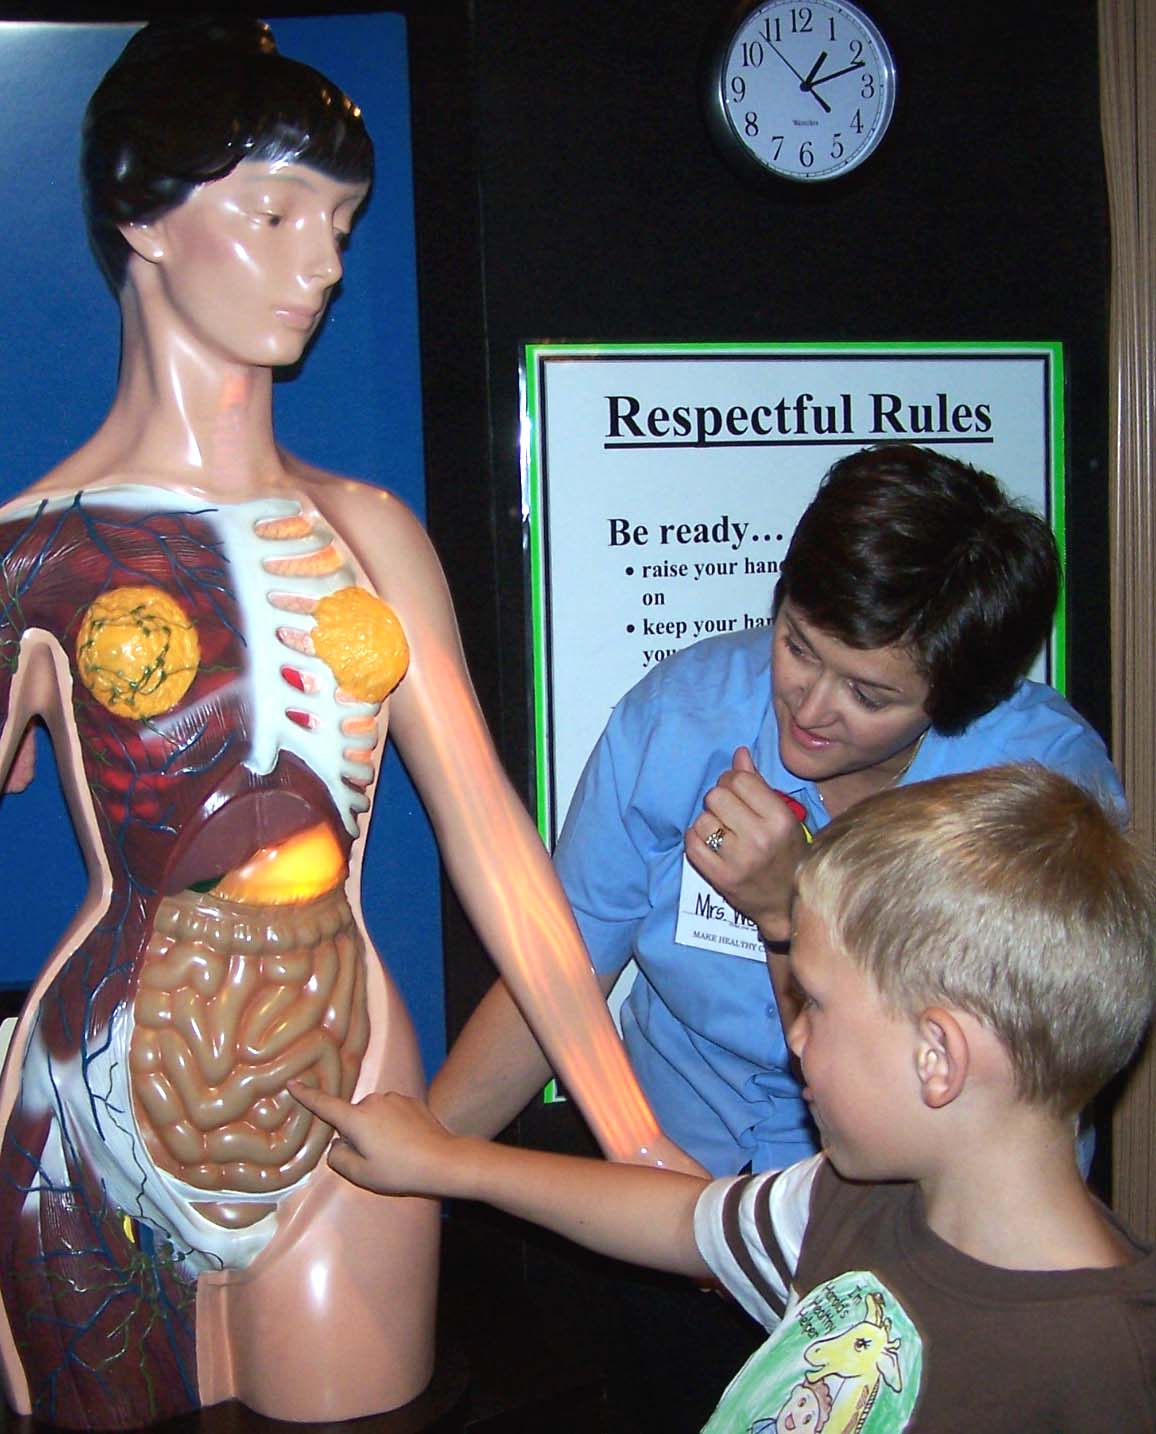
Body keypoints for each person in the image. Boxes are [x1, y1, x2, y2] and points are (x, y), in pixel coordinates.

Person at [0, 20, 691, 1431]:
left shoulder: (369, 531)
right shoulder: (30, 555)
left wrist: (633, 1135)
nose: (323, 261)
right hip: (94, 1104)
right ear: (143, 217)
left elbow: (495, 841)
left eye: (343, 219)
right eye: (273, 213)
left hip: (353, 1089)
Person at [296, 763, 1156, 1431]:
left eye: (814, 1004)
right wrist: (450, 1162)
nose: (795, 1037)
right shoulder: (855, 1204)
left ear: (938, 1057)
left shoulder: (1104, 1370)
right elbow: (681, 1224)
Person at [431, 444, 1125, 1178]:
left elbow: (952, 1097)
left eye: (869, 695)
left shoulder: (1039, 797)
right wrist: (416, 1160)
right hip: (672, 1186)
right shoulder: (683, 716)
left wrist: (796, 914)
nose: (810, 705)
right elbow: (556, 976)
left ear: (958, 700)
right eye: (797, 644)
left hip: (911, 1226)